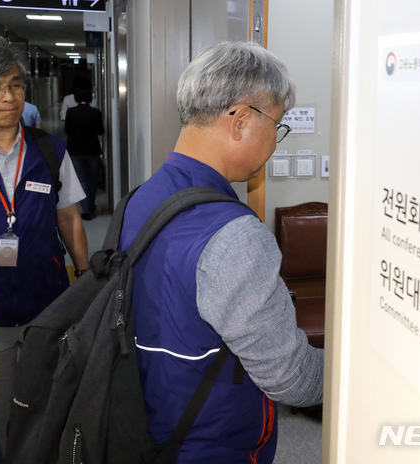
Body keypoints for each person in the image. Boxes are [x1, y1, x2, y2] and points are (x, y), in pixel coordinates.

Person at [119, 41, 324, 462]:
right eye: (277, 125)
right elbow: (292, 380)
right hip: (213, 442)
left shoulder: (142, 197)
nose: (276, 141)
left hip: (150, 419)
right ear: (242, 120)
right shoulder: (234, 234)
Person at [0, 35, 90, 452]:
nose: (8, 96)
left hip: (46, 301)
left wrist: (84, 278)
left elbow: (68, 216)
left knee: (46, 401)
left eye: (15, 85)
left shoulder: (49, 150)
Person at [64, 81, 104, 220]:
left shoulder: (71, 112)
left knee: (81, 180)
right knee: (92, 179)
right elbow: (101, 131)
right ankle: (91, 205)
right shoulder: (96, 113)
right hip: (93, 150)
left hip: (76, 150)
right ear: (90, 98)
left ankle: (86, 209)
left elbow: (67, 130)